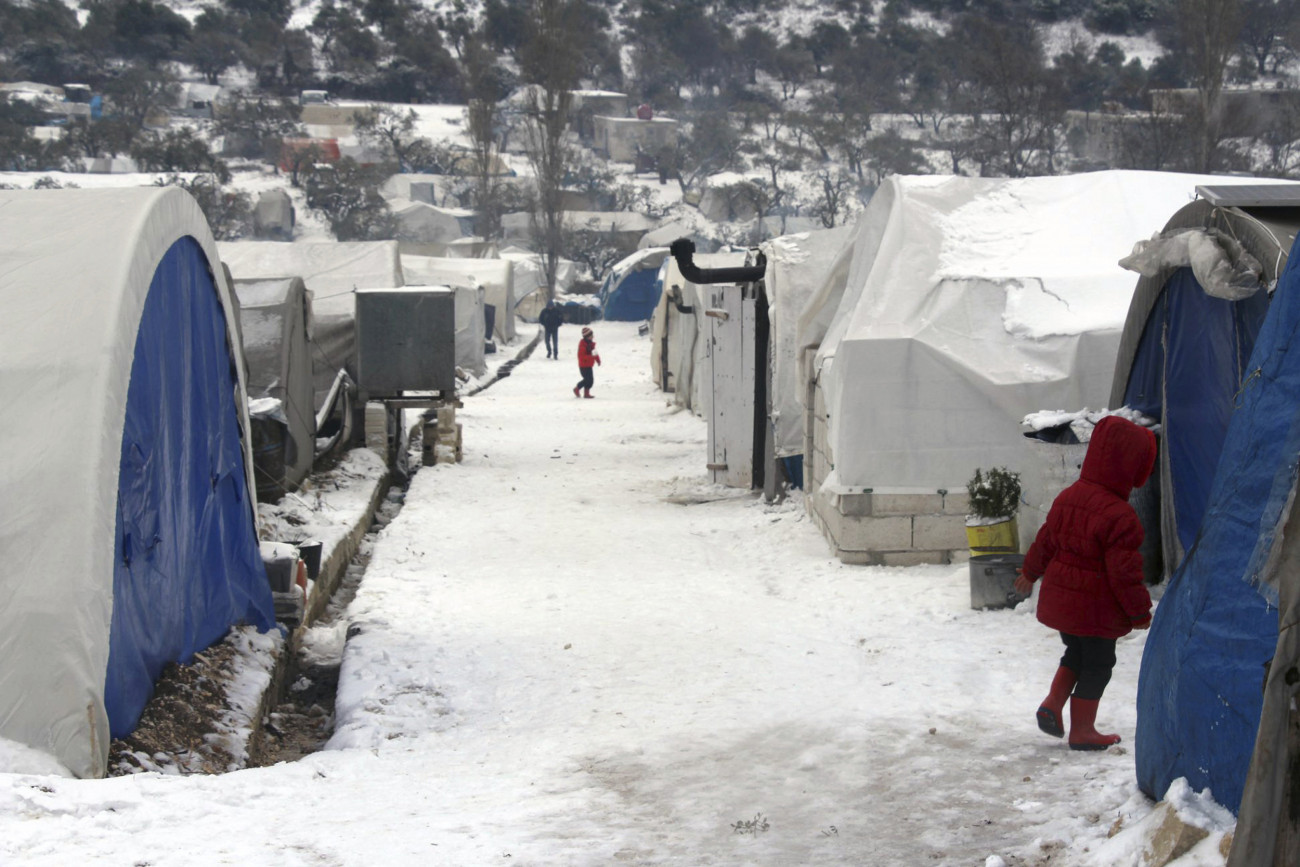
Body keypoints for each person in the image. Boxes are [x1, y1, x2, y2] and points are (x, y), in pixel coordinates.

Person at [1013, 415, 1156, 751]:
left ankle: (1052, 703)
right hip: (1095, 610)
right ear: (1131, 467)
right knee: (1099, 664)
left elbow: (1046, 539)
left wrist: (1030, 572)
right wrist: (1139, 613)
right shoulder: (1121, 517)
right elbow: (1125, 574)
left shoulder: (1069, 495)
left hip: (1063, 602)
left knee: (1075, 653)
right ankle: (1083, 730)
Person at [573, 325, 601, 398]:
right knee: (587, 379)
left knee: (591, 380)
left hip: (589, 365)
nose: (593, 337)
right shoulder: (582, 345)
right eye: (591, 335)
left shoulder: (591, 344)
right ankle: (577, 388)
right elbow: (581, 357)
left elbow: (595, 353)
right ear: (587, 336)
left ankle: (586, 393)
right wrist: (591, 357)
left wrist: (598, 360)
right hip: (583, 366)